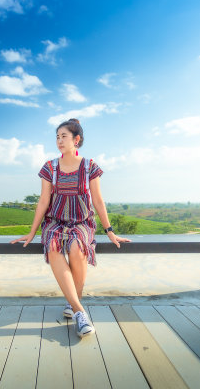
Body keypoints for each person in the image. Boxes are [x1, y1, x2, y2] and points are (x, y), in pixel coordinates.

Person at [10, 118, 131, 338]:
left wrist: (110, 230)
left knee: (77, 247)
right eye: (57, 137)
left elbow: (98, 200)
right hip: (54, 221)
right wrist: (32, 232)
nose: (59, 141)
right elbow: (44, 200)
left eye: (63, 136)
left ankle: (72, 302)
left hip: (81, 221)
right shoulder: (50, 167)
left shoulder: (89, 166)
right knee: (54, 246)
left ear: (77, 140)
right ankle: (79, 311)